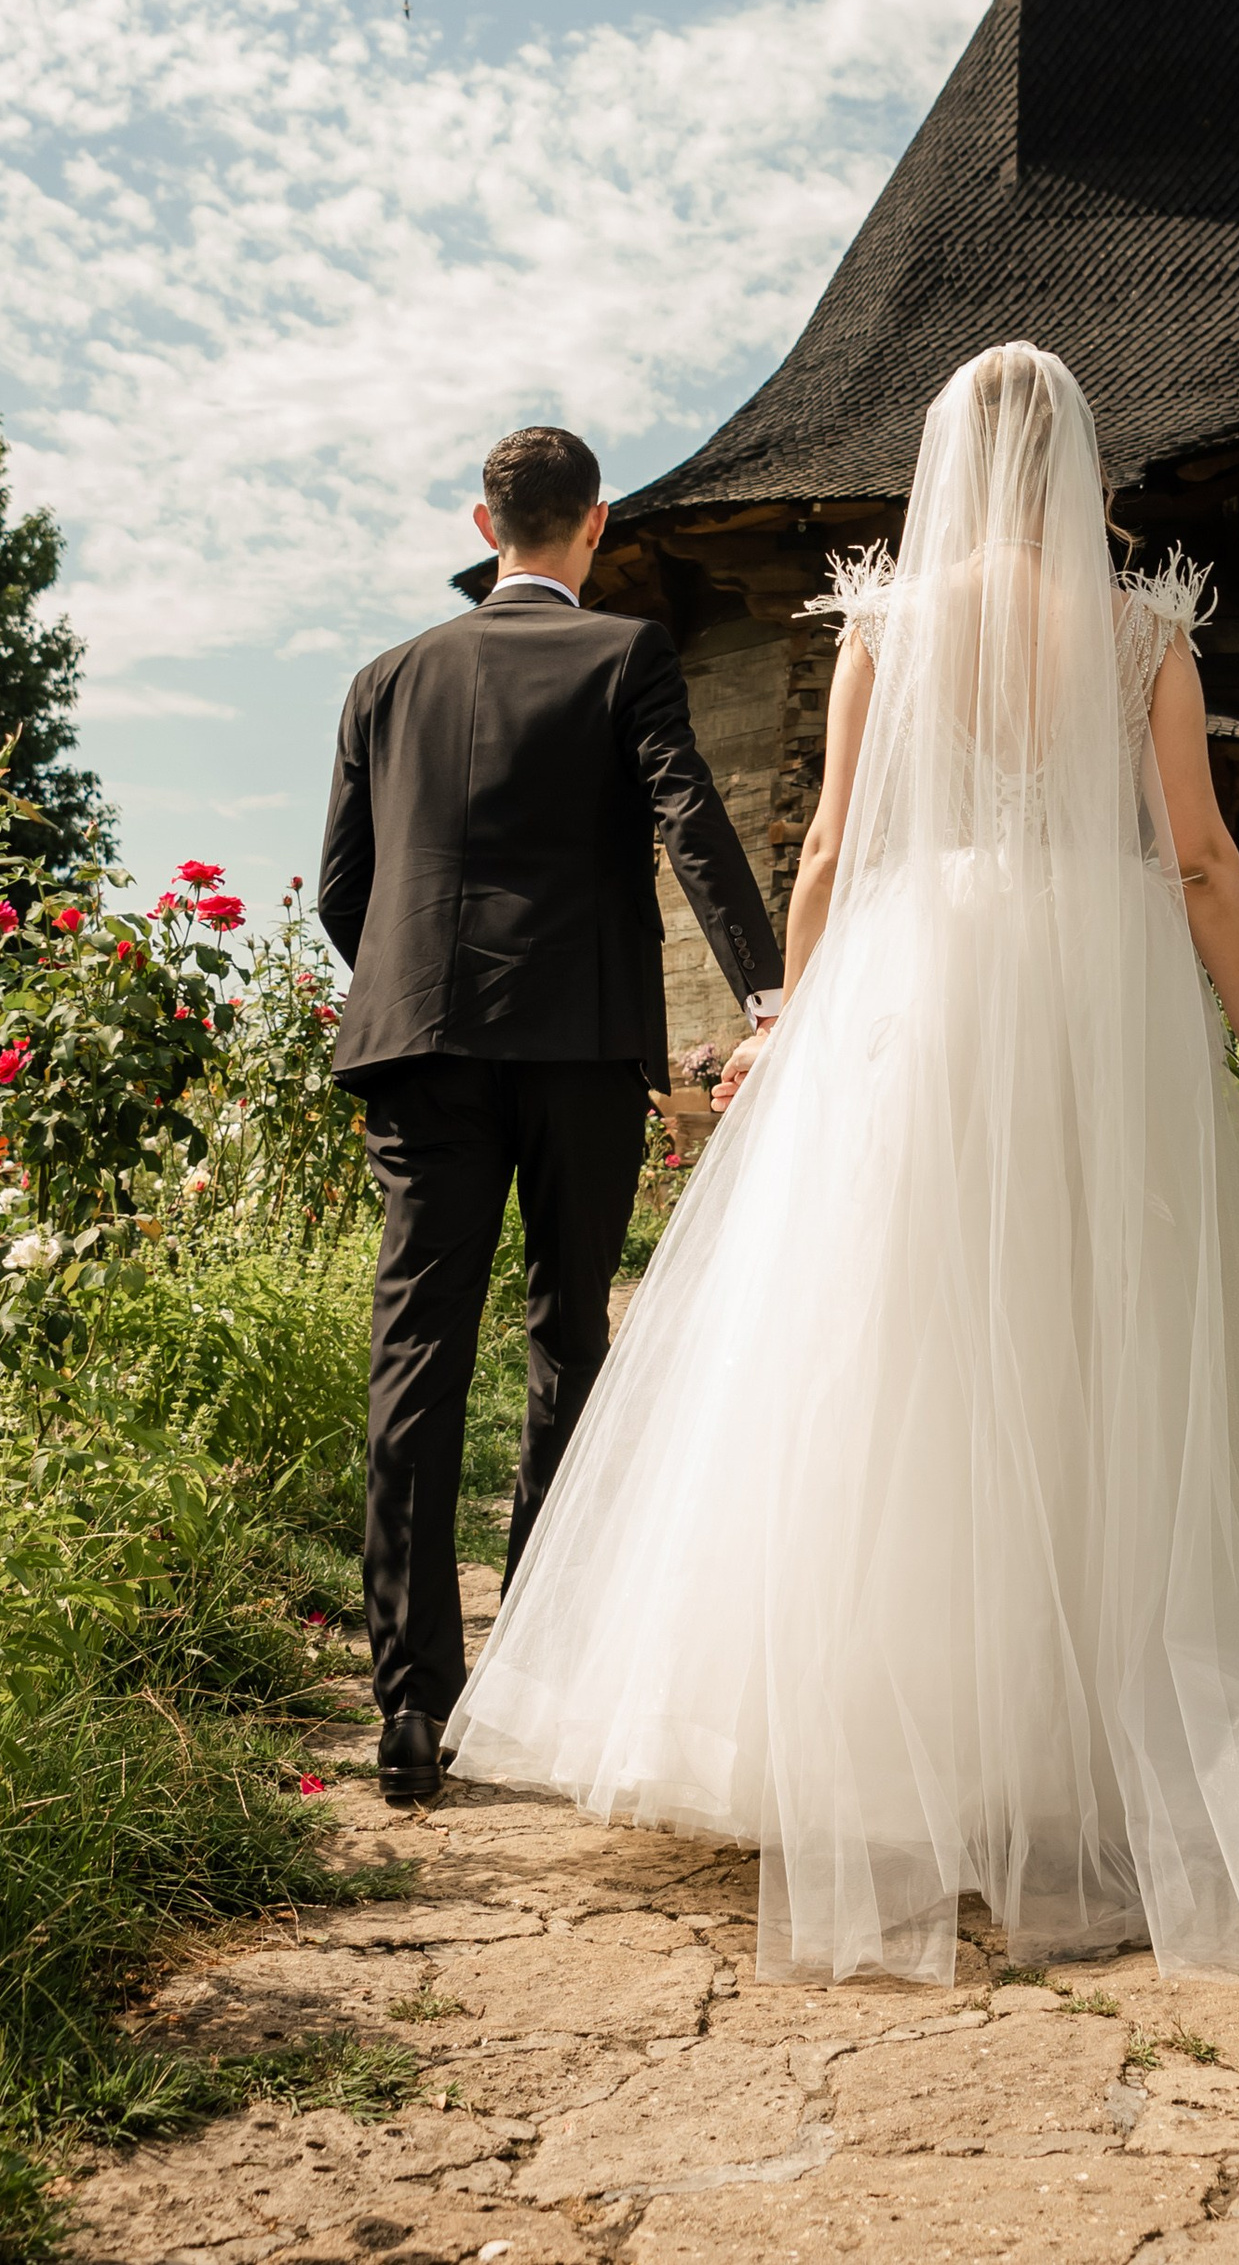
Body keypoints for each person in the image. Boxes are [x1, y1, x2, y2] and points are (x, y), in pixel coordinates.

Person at [445, 346, 1239, 1988]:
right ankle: (1073, 1756)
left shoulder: (888, 624)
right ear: (1075, 458)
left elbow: (831, 846)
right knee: (1099, 1343)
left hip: (919, 981)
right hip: (1097, 995)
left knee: (896, 1337)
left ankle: (893, 1746)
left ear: (947, 457)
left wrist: (786, 1016)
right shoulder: (1145, 628)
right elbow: (1208, 861)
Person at [319, 421, 783, 1810]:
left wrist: (419, 990)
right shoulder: (625, 653)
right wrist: (769, 994)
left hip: (425, 1040)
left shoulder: (384, 678)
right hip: (581, 1046)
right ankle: (531, 1672)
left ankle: (410, 1709)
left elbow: (347, 885)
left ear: (483, 524)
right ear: (594, 531)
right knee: (567, 1338)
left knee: (418, 1352)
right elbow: (687, 814)